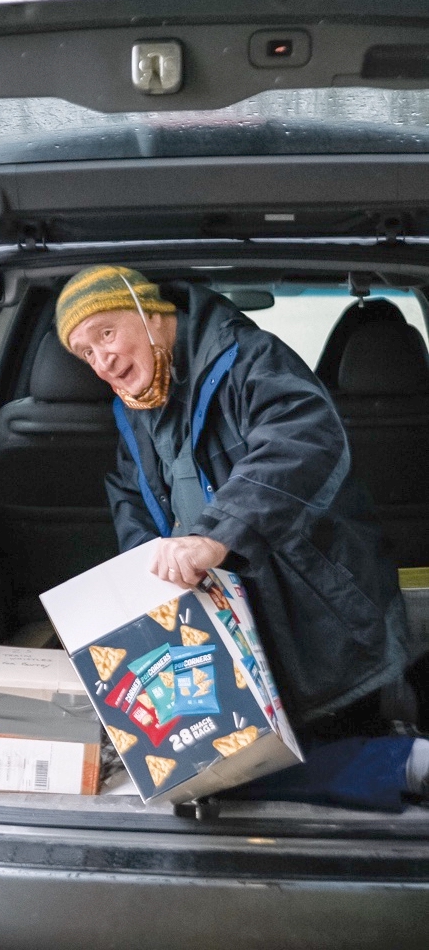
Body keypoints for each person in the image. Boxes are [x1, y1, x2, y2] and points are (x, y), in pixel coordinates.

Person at [55, 263, 428, 809]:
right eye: (86, 352)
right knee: (216, 771)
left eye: (106, 333)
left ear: (153, 314)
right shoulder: (135, 408)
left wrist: (216, 534)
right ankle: (400, 763)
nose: (102, 359)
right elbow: (130, 493)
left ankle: (404, 762)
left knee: (279, 762)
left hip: (318, 612)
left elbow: (302, 440)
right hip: (226, 617)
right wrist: (144, 575)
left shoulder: (249, 357)